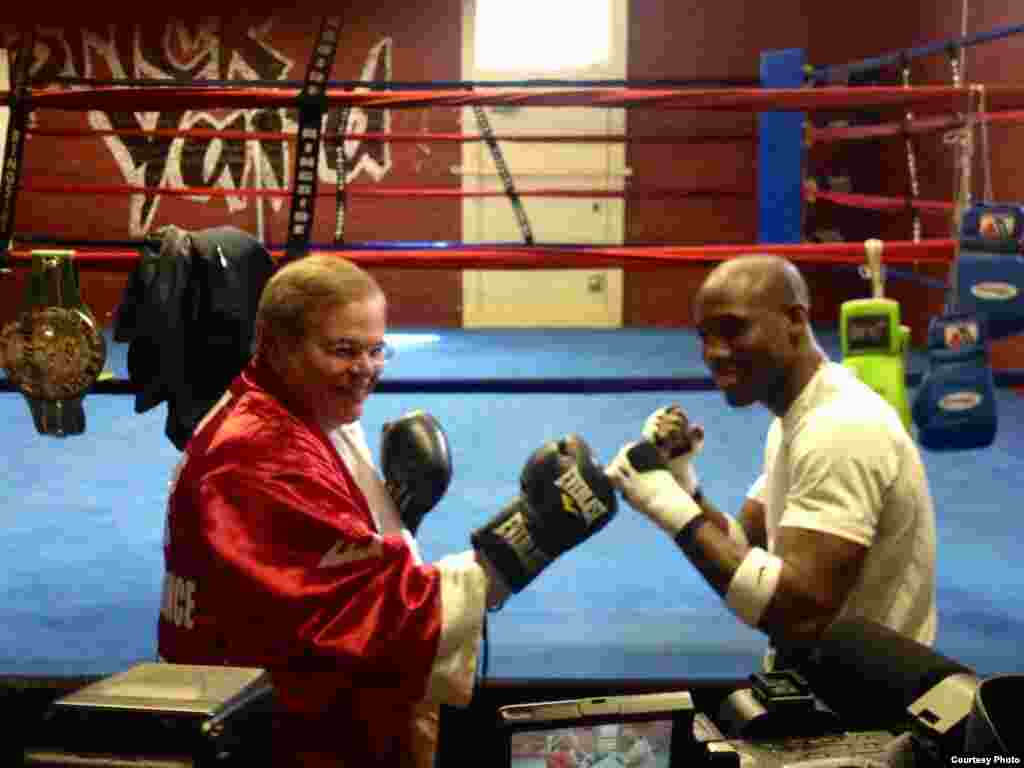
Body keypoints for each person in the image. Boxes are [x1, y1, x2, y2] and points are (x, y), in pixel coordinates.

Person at [157, 253, 617, 767]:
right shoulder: (261, 457)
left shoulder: (293, 413)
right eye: (343, 350)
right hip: (282, 742)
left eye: (377, 350)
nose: (366, 370)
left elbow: (315, 573)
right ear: (276, 345)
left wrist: (392, 518)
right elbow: (374, 617)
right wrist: (535, 534)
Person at [606, 254, 937, 668]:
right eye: (705, 336)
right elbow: (745, 546)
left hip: (869, 710)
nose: (715, 353)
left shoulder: (839, 427)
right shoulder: (797, 417)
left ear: (794, 321)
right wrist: (681, 483)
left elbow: (798, 613)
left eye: (734, 329)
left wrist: (665, 505)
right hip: (829, 689)